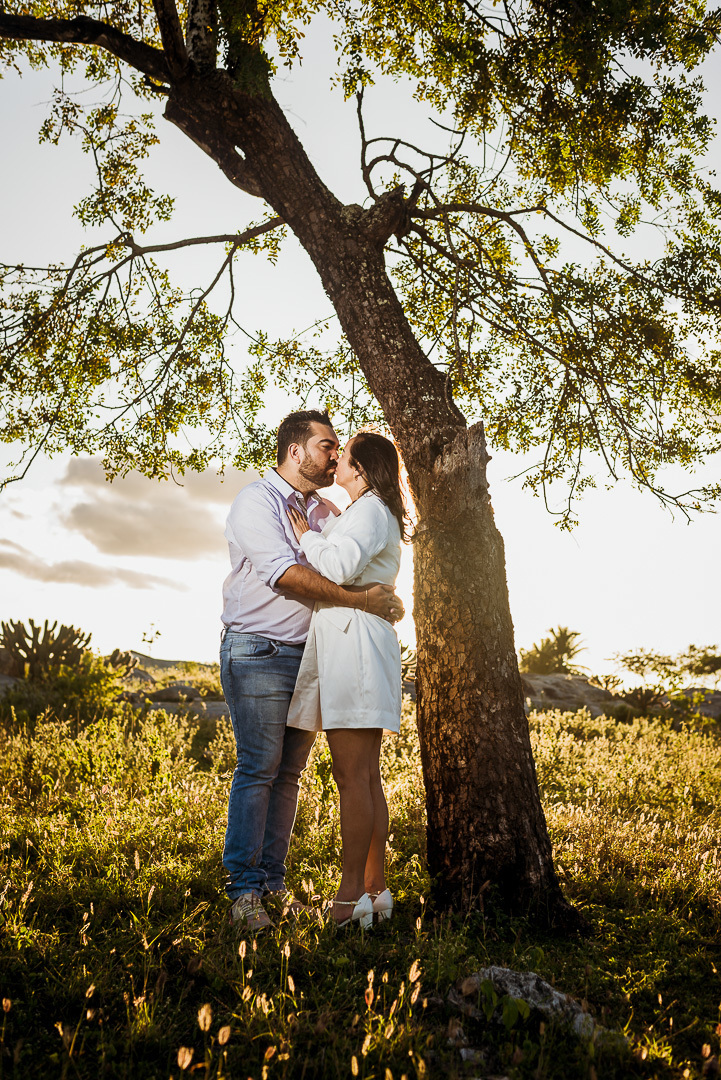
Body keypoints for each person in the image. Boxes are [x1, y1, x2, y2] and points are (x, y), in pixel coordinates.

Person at [220, 410, 403, 934]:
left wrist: (380, 600)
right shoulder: (257, 501)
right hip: (258, 649)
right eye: (326, 446)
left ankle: (274, 885)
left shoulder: (327, 510)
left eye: (338, 449)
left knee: (290, 775)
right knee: (259, 769)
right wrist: (365, 601)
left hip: (313, 655)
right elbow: (291, 575)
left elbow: (352, 561)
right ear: (295, 451)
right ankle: (245, 892)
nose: (333, 455)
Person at [286, 431, 410, 928]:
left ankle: (347, 897)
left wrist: (306, 537)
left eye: (345, 454)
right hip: (358, 640)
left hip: (355, 644)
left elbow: (337, 566)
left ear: (360, 469)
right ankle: (376, 890)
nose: (335, 459)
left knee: (351, 777)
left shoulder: (370, 510)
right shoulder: (366, 509)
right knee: (365, 778)